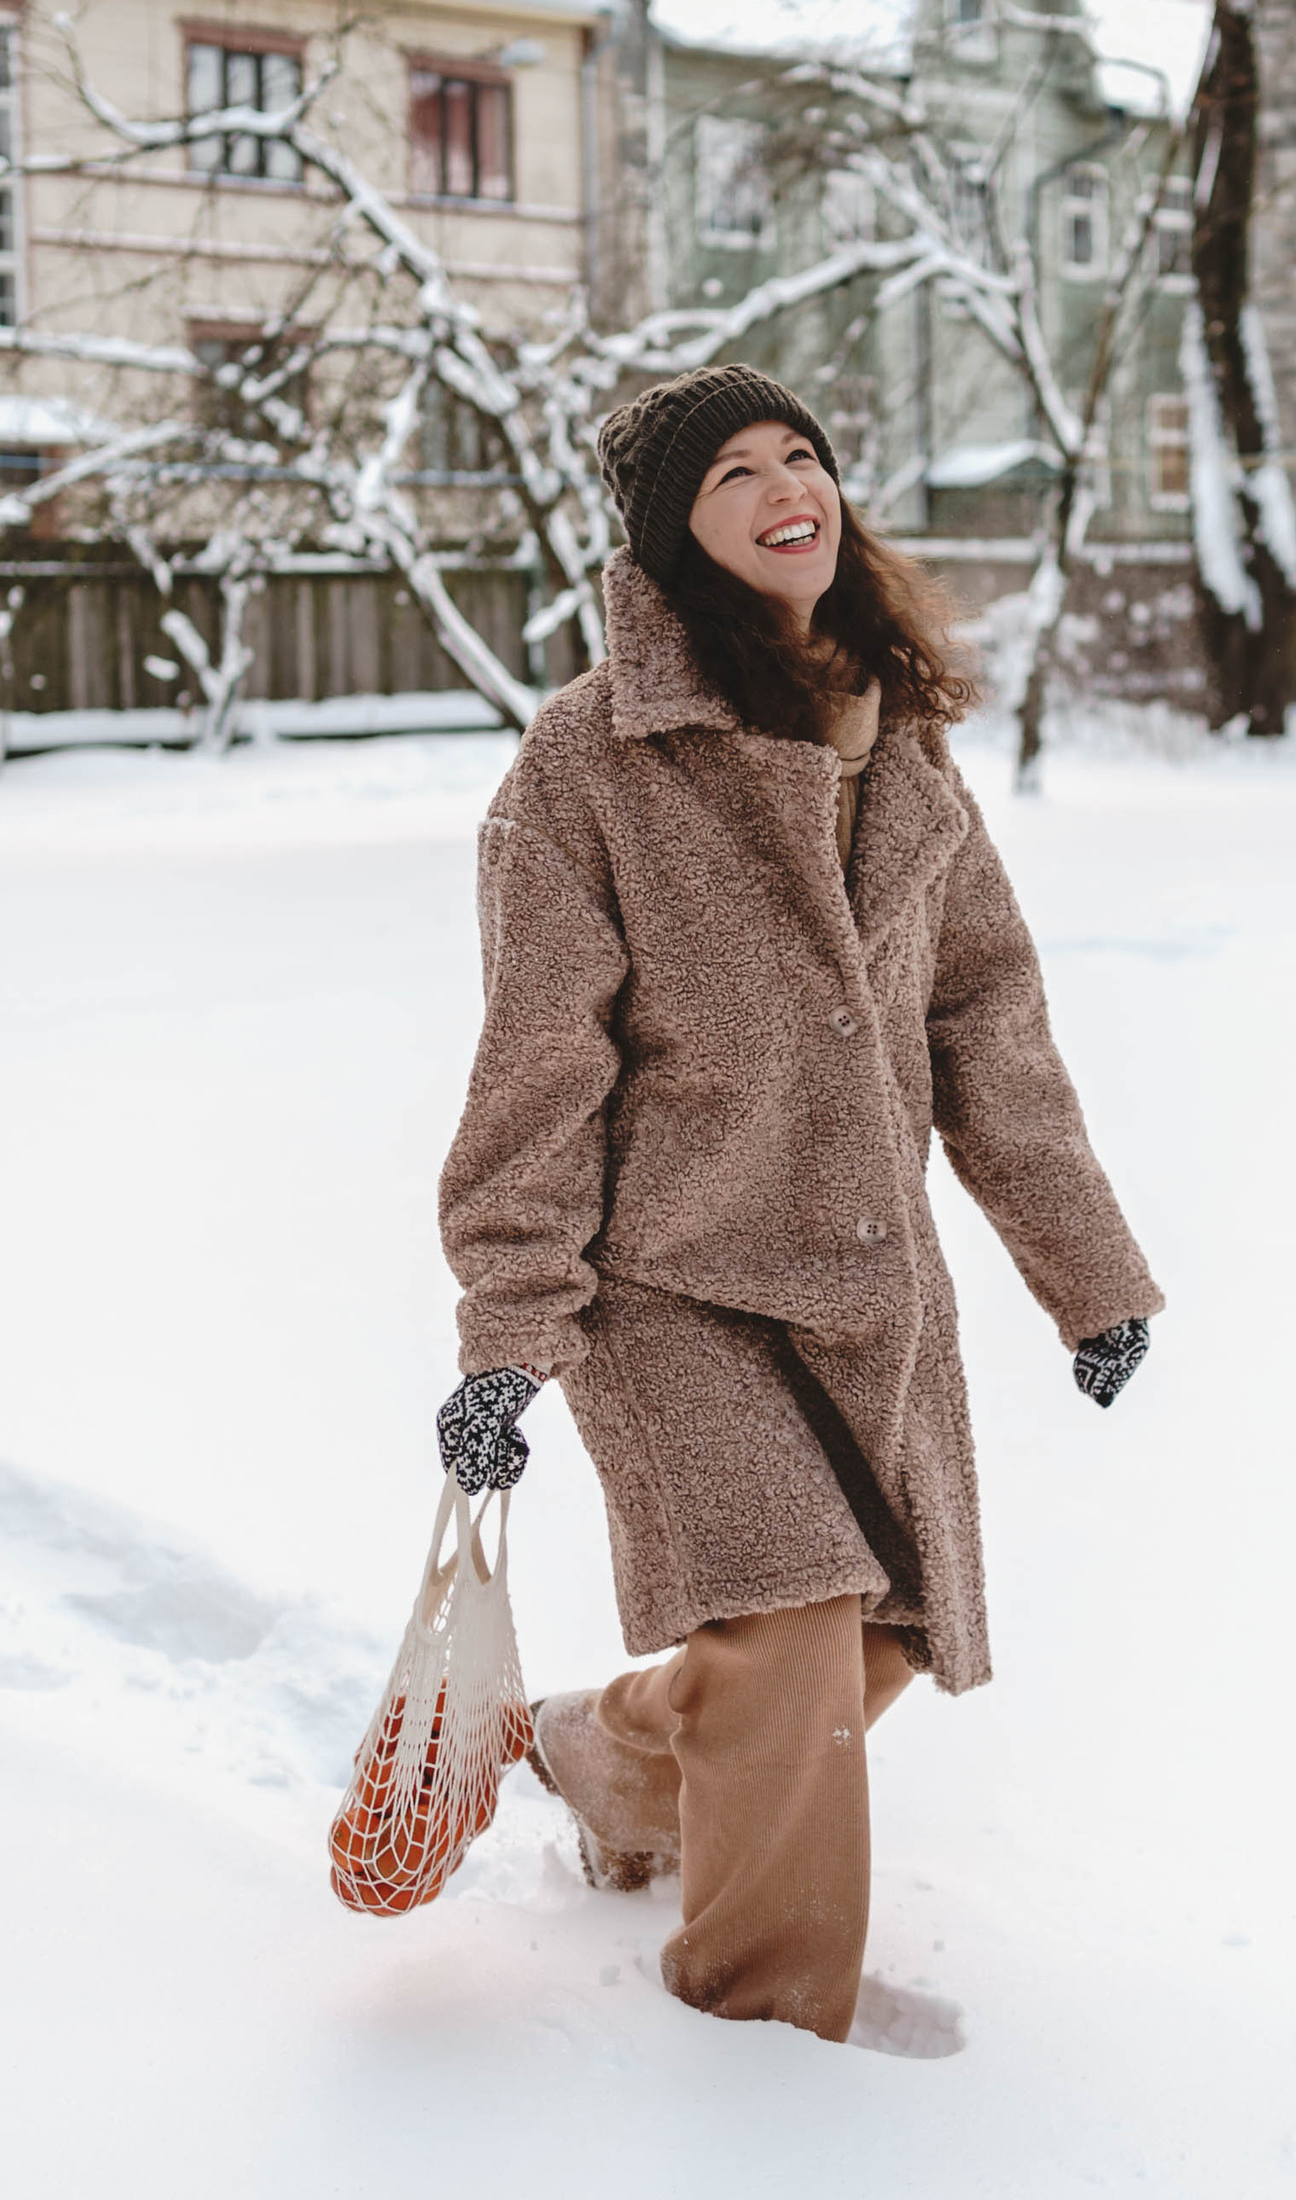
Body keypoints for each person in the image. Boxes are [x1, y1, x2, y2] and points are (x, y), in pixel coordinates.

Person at [435, 363, 1161, 2044]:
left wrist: (1088, 1272)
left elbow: (988, 1020)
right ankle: (763, 2045)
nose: (789, 490)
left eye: (803, 454)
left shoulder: (900, 738)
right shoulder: (587, 764)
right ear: (672, 540)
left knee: (869, 1640)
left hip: (863, 1284)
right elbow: (539, 1065)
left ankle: (603, 1753)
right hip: (666, 1289)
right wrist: (510, 1331)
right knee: (786, 1631)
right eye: (735, 475)